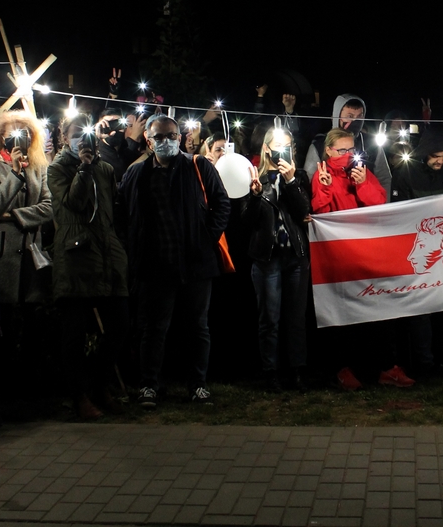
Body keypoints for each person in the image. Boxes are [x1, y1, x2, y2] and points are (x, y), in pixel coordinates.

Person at [118, 113, 230, 406]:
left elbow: (221, 203)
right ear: (148, 140)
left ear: (179, 138)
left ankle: (198, 385)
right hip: (154, 265)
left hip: (195, 263)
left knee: (197, 327)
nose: (166, 141)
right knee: (153, 328)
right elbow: (123, 213)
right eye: (159, 137)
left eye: (171, 136)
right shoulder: (136, 174)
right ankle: (150, 385)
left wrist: (205, 240)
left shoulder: (198, 166)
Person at [310, 128, 410, 390]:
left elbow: (378, 203)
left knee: (379, 310)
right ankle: (342, 369)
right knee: (343, 315)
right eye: (341, 150)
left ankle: (386, 368)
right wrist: (325, 188)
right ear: (329, 151)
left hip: (367, 254)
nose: (347, 155)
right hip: (340, 257)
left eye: (351, 150)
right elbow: (320, 212)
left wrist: (363, 183)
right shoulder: (322, 174)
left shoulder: (362, 172)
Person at [49, 115, 130, 418]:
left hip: (107, 254)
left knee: (119, 325)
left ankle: (100, 385)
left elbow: (112, 210)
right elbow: (74, 203)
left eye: (87, 133)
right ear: (64, 136)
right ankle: (79, 395)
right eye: (75, 134)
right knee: (75, 332)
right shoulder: (58, 168)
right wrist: (83, 168)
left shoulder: (105, 168)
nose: (82, 139)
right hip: (76, 256)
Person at [391, 126, 443, 383]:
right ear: (425, 153)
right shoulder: (405, 173)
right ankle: (425, 364)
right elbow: (398, 211)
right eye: (436, 156)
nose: (441, 160)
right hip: (421, 251)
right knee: (422, 309)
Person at [240, 127, 312, 390]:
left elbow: (304, 211)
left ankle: (297, 371)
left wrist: (290, 182)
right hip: (267, 257)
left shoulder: (299, 176)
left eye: (288, 146)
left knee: (297, 318)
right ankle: (270, 371)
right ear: (267, 148)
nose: (283, 151)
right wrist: (256, 195)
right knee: (269, 319)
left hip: (295, 255)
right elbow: (246, 222)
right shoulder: (253, 177)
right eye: (279, 146)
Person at [0, 112, 53, 306]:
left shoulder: (39, 168)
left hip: (29, 251)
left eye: (24, 134)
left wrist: (15, 216)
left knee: (30, 306)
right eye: (12, 135)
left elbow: (50, 206)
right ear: (3, 138)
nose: (18, 139)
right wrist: (15, 172)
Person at [303, 94, 393, 196]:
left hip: (366, 204)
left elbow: (384, 179)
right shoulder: (319, 145)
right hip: (332, 204)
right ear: (337, 116)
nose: (355, 121)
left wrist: (385, 205)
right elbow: (308, 182)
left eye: (359, 116)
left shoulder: (372, 145)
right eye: (350, 116)